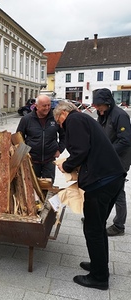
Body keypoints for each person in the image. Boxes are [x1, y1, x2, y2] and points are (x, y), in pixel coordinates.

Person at [54, 100, 126, 290]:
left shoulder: (74, 119)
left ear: (62, 114)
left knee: (92, 229)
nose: (62, 127)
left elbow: (80, 150)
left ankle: (99, 277)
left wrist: (65, 165)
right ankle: (99, 266)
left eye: (60, 122)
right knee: (98, 227)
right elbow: (86, 149)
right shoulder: (85, 119)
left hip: (101, 182)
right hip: (113, 178)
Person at [92, 88, 131, 236]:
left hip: (119, 159)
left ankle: (119, 225)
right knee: (103, 187)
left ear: (107, 102)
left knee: (117, 191)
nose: (96, 108)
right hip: (107, 158)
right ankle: (99, 218)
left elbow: (125, 140)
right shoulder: (103, 114)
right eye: (95, 105)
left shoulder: (120, 115)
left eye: (98, 105)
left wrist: (107, 152)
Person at [16, 94, 65, 183]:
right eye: (44, 105)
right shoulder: (26, 119)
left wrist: (60, 149)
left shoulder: (56, 118)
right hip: (32, 160)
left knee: (48, 185)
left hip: (49, 160)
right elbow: (18, 138)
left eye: (49, 105)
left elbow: (64, 136)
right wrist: (23, 156)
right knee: (32, 186)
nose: (47, 108)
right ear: (36, 106)